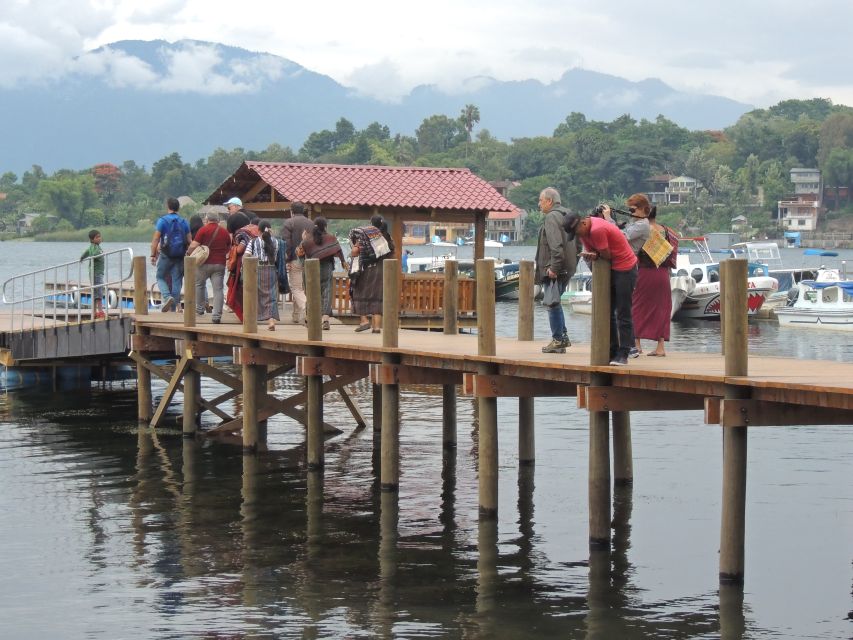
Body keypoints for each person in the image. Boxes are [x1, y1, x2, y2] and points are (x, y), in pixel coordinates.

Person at [565, 211, 638, 366]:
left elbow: (606, 254)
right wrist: (592, 256)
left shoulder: (597, 230)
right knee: (608, 312)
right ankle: (612, 350)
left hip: (625, 267)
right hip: (611, 267)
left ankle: (624, 353)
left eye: (577, 232)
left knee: (623, 312)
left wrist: (595, 255)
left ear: (583, 223)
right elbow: (597, 254)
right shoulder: (584, 233)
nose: (579, 236)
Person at [535, 187, 578, 354]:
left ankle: (558, 339)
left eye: (541, 200)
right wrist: (572, 263)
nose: (539, 204)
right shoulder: (568, 215)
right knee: (556, 302)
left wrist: (554, 267)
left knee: (552, 303)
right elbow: (578, 242)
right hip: (568, 267)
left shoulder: (552, 217)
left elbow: (556, 245)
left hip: (554, 268)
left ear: (549, 201)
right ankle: (563, 337)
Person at [631, 199, 677, 357]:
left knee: (636, 306)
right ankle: (660, 347)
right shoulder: (665, 230)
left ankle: (636, 345)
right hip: (663, 273)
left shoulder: (643, 229)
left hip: (644, 272)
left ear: (643, 212)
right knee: (662, 309)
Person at [296, 216, 347, 330]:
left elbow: (301, 257)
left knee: (310, 293)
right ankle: (325, 320)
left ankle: (308, 319)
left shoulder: (307, 240)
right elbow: (338, 250)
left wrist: (302, 239)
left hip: (310, 269)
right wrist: (343, 262)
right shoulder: (331, 238)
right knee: (327, 293)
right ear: (325, 226)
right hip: (326, 268)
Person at [348, 215, 394, 333]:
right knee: (377, 297)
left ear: (371, 223)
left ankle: (364, 321)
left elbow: (355, 251)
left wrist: (352, 252)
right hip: (382, 271)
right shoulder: (388, 237)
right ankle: (377, 327)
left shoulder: (366, 235)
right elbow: (392, 253)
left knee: (359, 292)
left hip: (367, 271)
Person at [186, 211, 229, 324]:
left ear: (207, 219)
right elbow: (228, 247)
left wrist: (189, 253)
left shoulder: (203, 230)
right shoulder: (224, 232)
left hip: (203, 263)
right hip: (219, 264)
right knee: (218, 289)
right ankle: (216, 315)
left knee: (199, 285)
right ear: (217, 220)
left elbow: (194, 245)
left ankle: (200, 309)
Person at [150, 197, 191, 312]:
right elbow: (189, 241)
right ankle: (174, 307)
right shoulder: (184, 222)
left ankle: (167, 297)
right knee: (177, 280)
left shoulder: (162, 221)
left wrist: (153, 255)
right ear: (178, 208)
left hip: (166, 255)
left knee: (160, 276)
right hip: (180, 256)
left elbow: (156, 239)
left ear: (168, 207)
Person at [281, 201, 314, 324]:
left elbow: (287, 243)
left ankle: (309, 310)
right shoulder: (311, 223)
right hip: (310, 260)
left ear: (291, 211)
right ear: (303, 210)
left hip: (295, 258)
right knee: (301, 287)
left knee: (295, 287)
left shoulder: (289, 222)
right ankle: (295, 316)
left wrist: (287, 259)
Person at [245, 220, 280, 330]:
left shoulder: (253, 242)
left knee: (259, 296)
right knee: (271, 296)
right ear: (270, 230)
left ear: (258, 230)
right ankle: (271, 321)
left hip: (258, 270)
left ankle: (255, 320)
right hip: (271, 270)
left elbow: (246, 256)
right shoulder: (276, 242)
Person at [225, 214, 260, 322]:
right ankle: (252, 314)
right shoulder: (256, 232)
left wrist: (232, 249)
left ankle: (245, 316)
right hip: (257, 264)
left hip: (242, 265)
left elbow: (240, 249)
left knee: (240, 290)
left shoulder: (242, 234)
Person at [80, 229, 106, 320]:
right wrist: (101, 253)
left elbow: (86, 252)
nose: (99, 238)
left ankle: (95, 311)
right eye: (97, 237)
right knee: (98, 292)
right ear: (92, 239)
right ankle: (100, 311)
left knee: (96, 291)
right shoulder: (95, 247)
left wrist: (82, 257)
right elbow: (93, 254)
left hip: (96, 272)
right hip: (96, 273)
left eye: (100, 236)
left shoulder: (92, 246)